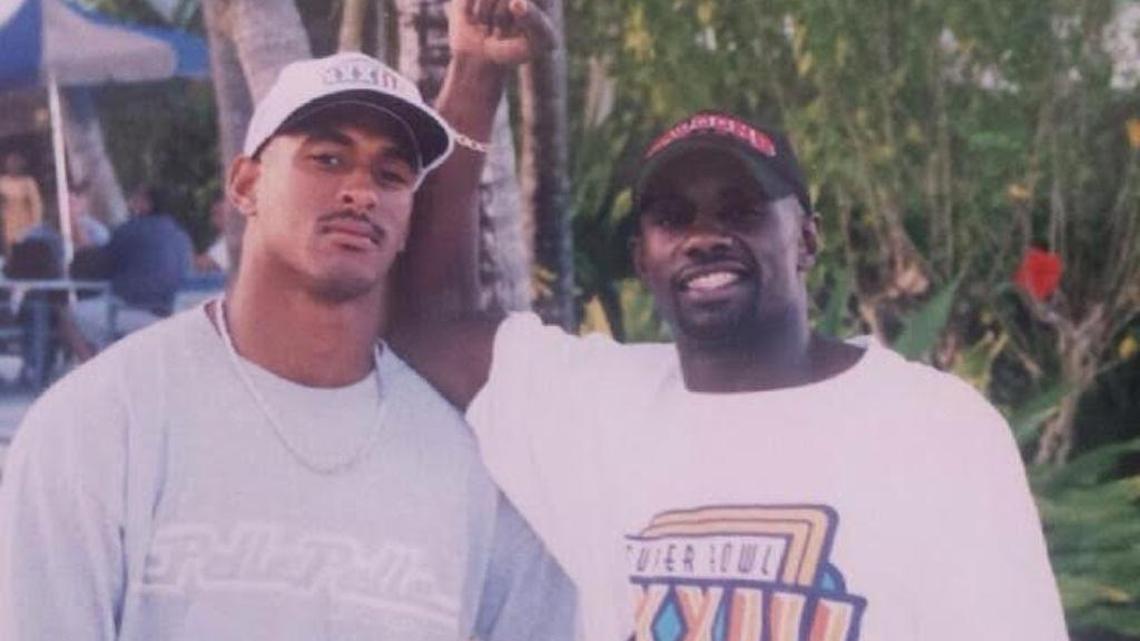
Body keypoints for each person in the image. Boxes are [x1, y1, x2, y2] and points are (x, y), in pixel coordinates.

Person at [390, 15, 1071, 641]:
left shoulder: (935, 427)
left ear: (805, 240)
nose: (703, 236)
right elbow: (424, 318)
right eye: (672, 216)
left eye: (741, 209)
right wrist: (476, 72)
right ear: (641, 257)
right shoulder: (595, 407)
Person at [0, 5, 575, 639]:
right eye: (327, 159)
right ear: (245, 185)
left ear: (409, 216)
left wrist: (474, 70)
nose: (361, 190)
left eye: (391, 174)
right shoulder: (104, 423)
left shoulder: (470, 465)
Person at [68, 184, 193, 354]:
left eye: (137, 199)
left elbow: (100, 268)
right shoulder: (181, 236)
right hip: (172, 314)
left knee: (70, 315)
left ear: (147, 204)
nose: (131, 202)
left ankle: (92, 371)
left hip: (133, 311)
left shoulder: (131, 229)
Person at [0, 151, 44, 256]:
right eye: (10, 164)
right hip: (7, 223)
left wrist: (36, 225)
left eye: (16, 164)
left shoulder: (28, 182)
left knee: (27, 250)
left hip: (26, 224)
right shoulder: (2, 182)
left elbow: (36, 205)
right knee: (10, 251)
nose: (13, 167)